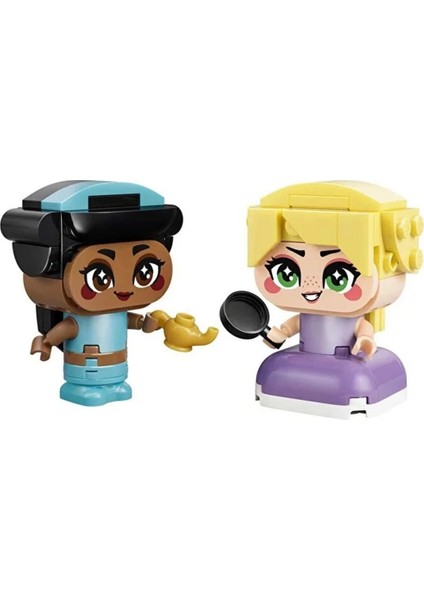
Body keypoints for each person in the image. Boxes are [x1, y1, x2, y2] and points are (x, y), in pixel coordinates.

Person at [248, 181, 423, 418]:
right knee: (273, 369)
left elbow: (362, 327)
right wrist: (281, 333)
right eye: (286, 273)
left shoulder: (361, 369)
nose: (311, 287)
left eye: (338, 277)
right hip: (300, 358)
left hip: (350, 362)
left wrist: (365, 339)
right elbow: (295, 324)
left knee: (358, 380)